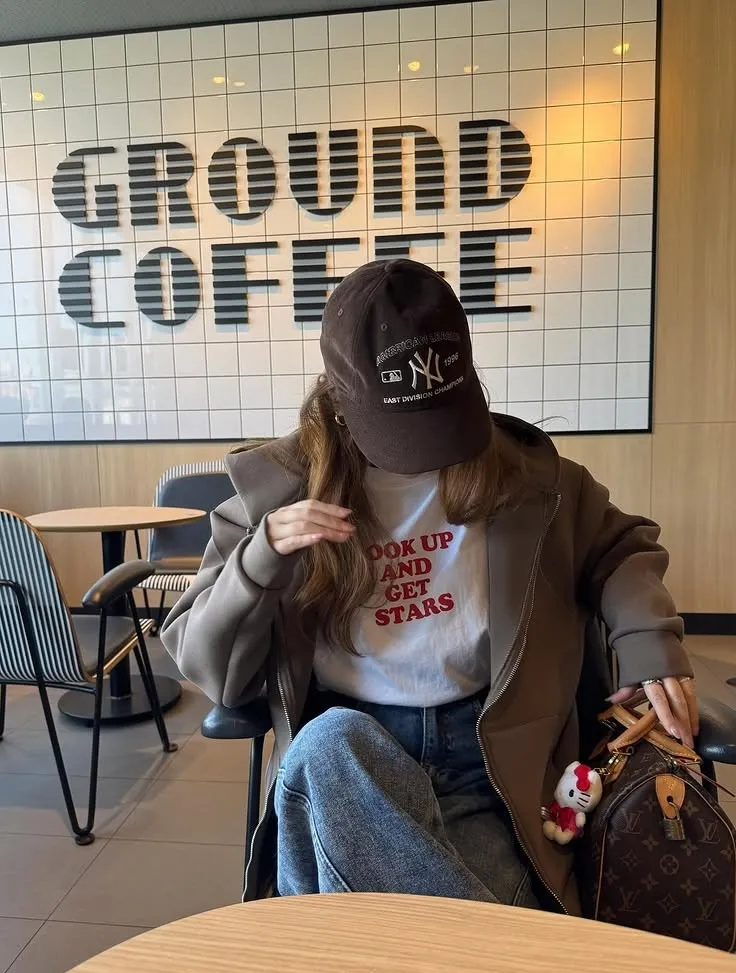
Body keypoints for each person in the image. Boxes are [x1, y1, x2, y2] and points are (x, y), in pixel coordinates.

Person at [162, 259, 698, 912]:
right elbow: (205, 664)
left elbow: (620, 548)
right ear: (338, 399)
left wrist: (649, 640)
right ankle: (502, 950)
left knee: (372, 927)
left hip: (492, 764)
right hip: (353, 759)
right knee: (326, 746)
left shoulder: (530, 479)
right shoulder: (276, 495)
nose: (429, 453)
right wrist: (260, 559)